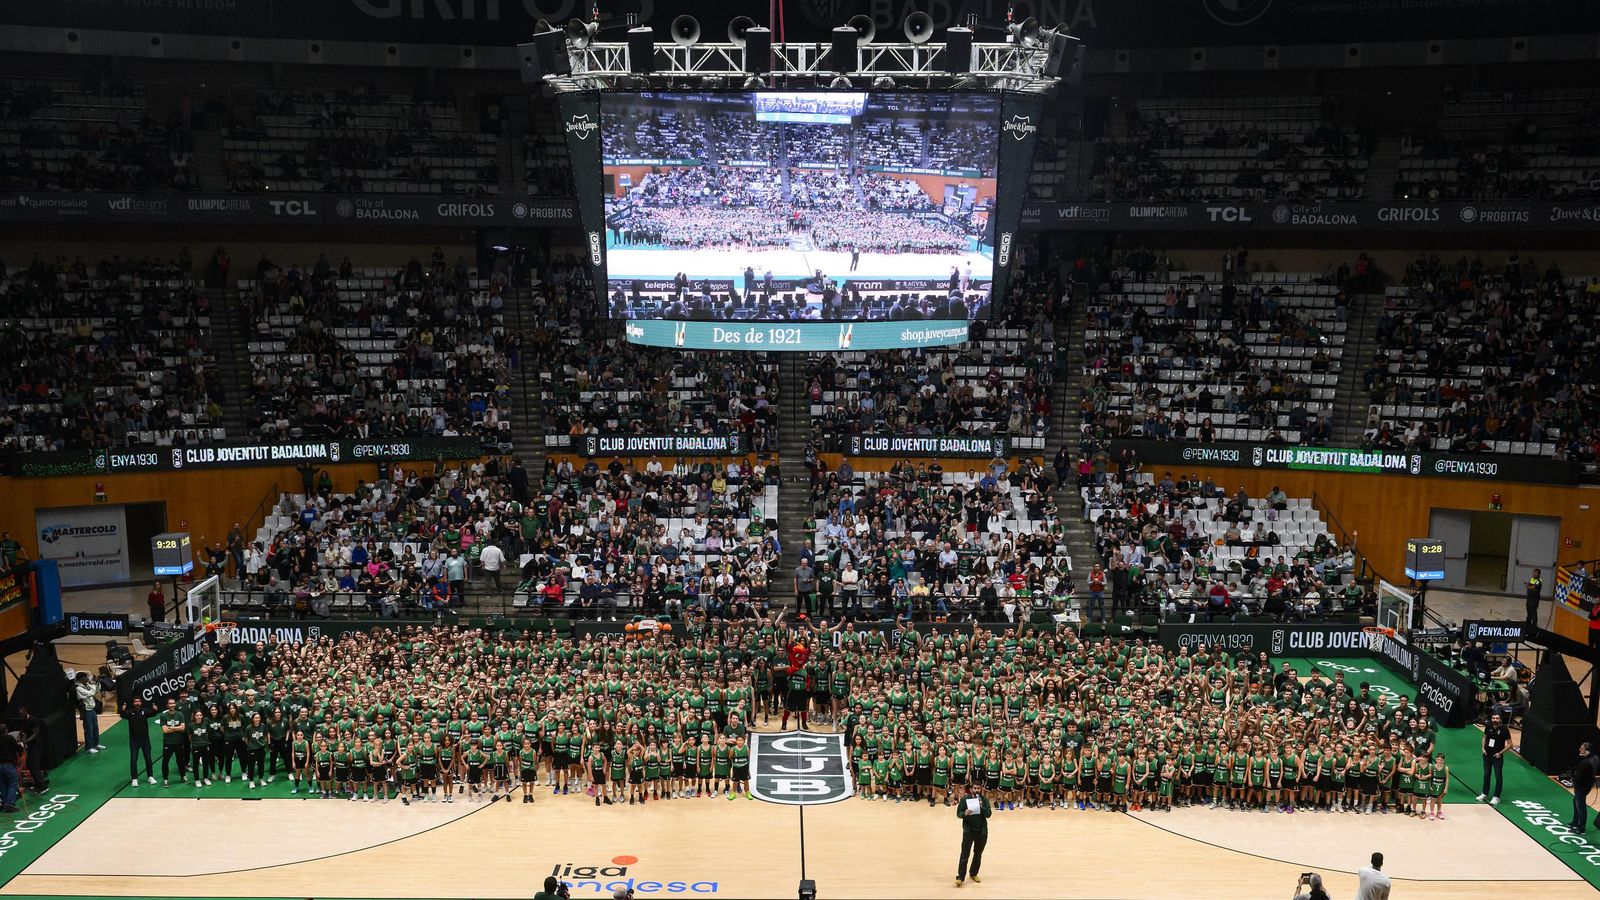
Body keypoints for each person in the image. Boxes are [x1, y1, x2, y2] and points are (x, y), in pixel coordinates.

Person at [955, 782, 991, 887]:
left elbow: (988, 814)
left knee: (978, 854)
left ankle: (973, 873)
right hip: (968, 831)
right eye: (975, 788)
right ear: (971, 789)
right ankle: (960, 877)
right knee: (965, 854)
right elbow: (959, 813)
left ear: (981, 789)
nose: (976, 790)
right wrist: (965, 814)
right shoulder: (965, 799)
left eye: (978, 788)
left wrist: (982, 807)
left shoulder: (984, 800)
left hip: (981, 832)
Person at [121, 695, 155, 785]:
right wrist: (123, 710)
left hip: (145, 741)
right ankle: (134, 778)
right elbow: (122, 715)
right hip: (134, 741)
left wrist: (155, 709)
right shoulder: (129, 712)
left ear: (141, 703)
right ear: (133, 703)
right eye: (135, 701)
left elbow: (152, 713)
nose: (137, 703)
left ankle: (150, 776)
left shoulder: (144, 711)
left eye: (138, 701)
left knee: (148, 759)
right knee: (133, 760)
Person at [1476, 713, 1509, 804]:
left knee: (1498, 776)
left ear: (1500, 719)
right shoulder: (1488, 727)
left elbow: (1510, 744)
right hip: (1487, 755)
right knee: (1486, 775)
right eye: (1493, 718)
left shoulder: (1504, 729)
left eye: (1497, 718)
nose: (1495, 720)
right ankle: (1484, 793)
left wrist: (1500, 753)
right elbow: (1484, 738)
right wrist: (1482, 748)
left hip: (1497, 757)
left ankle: (1496, 797)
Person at [1569, 742, 1599, 834]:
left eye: (1581, 748)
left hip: (1581, 787)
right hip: (1588, 785)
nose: (1579, 749)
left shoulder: (1585, 763)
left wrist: (1573, 780)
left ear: (1587, 751)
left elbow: (1579, 778)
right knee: (1576, 802)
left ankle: (1581, 828)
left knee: (1580, 806)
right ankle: (1575, 822)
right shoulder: (1596, 758)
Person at [72, 671, 102, 753]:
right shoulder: (79, 688)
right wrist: (92, 685)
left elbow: (97, 691)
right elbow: (91, 693)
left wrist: (97, 683)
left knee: (95, 728)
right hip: (86, 710)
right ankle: (89, 747)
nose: (87, 679)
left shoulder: (86, 685)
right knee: (88, 729)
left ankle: (96, 743)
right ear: (81, 679)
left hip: (92, 709)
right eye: (86, 677)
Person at [0, 729, 19, 813]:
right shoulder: (9, 738)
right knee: (12, 783)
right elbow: (18, 748)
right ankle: (10, 804)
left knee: (2, 785)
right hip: (9, 765)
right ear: (6, 730)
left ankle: (5, 803)